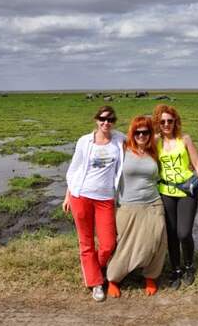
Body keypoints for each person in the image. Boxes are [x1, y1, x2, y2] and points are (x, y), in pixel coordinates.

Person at [63, 105, 125, 302]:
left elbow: (143, 138)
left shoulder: (119, 140)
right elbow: (75, 170)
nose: (106, 122)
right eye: (102, 119)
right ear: (96, 120)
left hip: (105, 198)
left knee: (108, 243)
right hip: (81, 195)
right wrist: (68, 195)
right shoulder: (84, 141)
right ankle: (95, 283)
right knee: (86, 241)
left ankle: (94, 268)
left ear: (114, 122)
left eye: (110, 119)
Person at [106, 116, 167, 298]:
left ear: (150, 134)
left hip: (153, 203)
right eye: (137, 132)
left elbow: (169, 137)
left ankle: (150, 276)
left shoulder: (154, 150)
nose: (141, 135)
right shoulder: (123, 149)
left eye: (145, 132)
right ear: (132, 134)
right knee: (125, 243)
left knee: (156, 239)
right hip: (127, 205)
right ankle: (114, 278)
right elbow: (108, 135)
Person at [153, 104, 198, 289]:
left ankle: (189, 266)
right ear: (158, 123)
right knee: (171, 234)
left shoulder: (184, 139)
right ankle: (175, 269)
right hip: (166, 192)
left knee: (183, 233)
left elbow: (197, 163)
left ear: (175, 121)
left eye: (170, 120)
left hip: (187, 191)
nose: (166, 124)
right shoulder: (155, 141)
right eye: (163, 121)